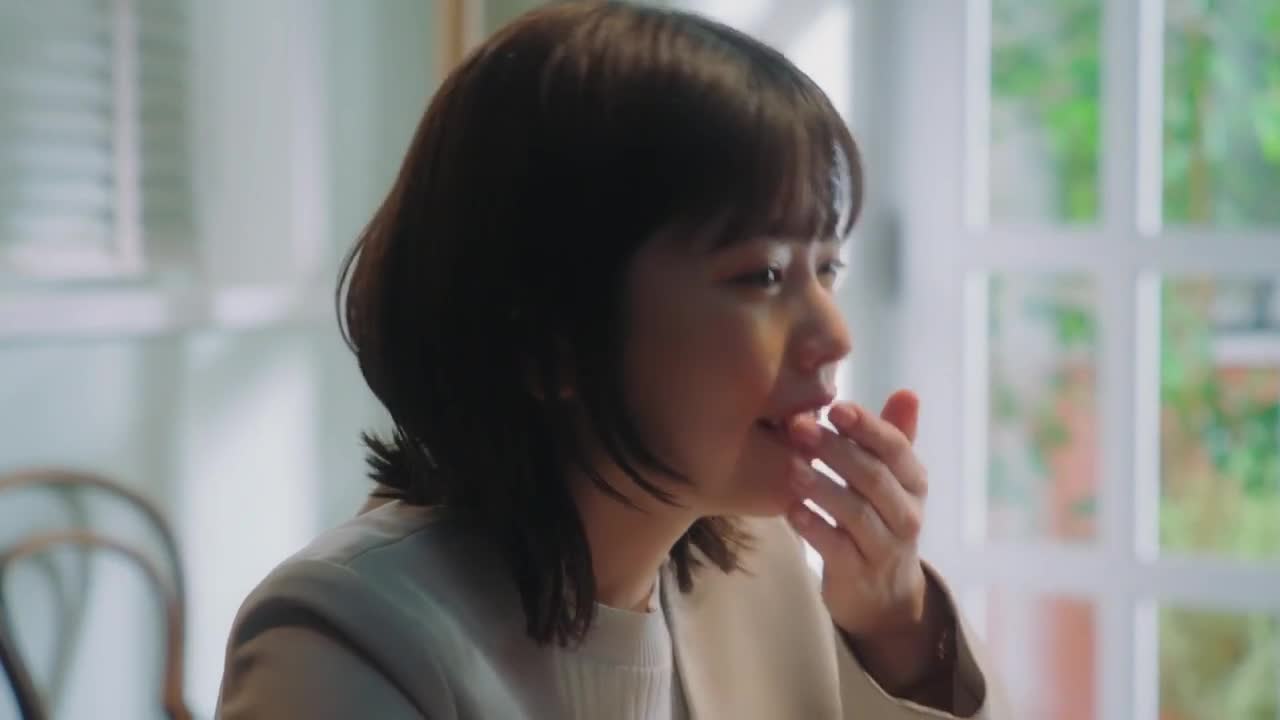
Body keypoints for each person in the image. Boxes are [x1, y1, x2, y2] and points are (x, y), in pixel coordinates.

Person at [216, 2, 1005, 718]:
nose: (834, 335)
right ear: (550, 340)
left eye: (826, 268)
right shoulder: (345, 638)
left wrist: (896, 625)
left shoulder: (752, 572)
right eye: (763, 275)